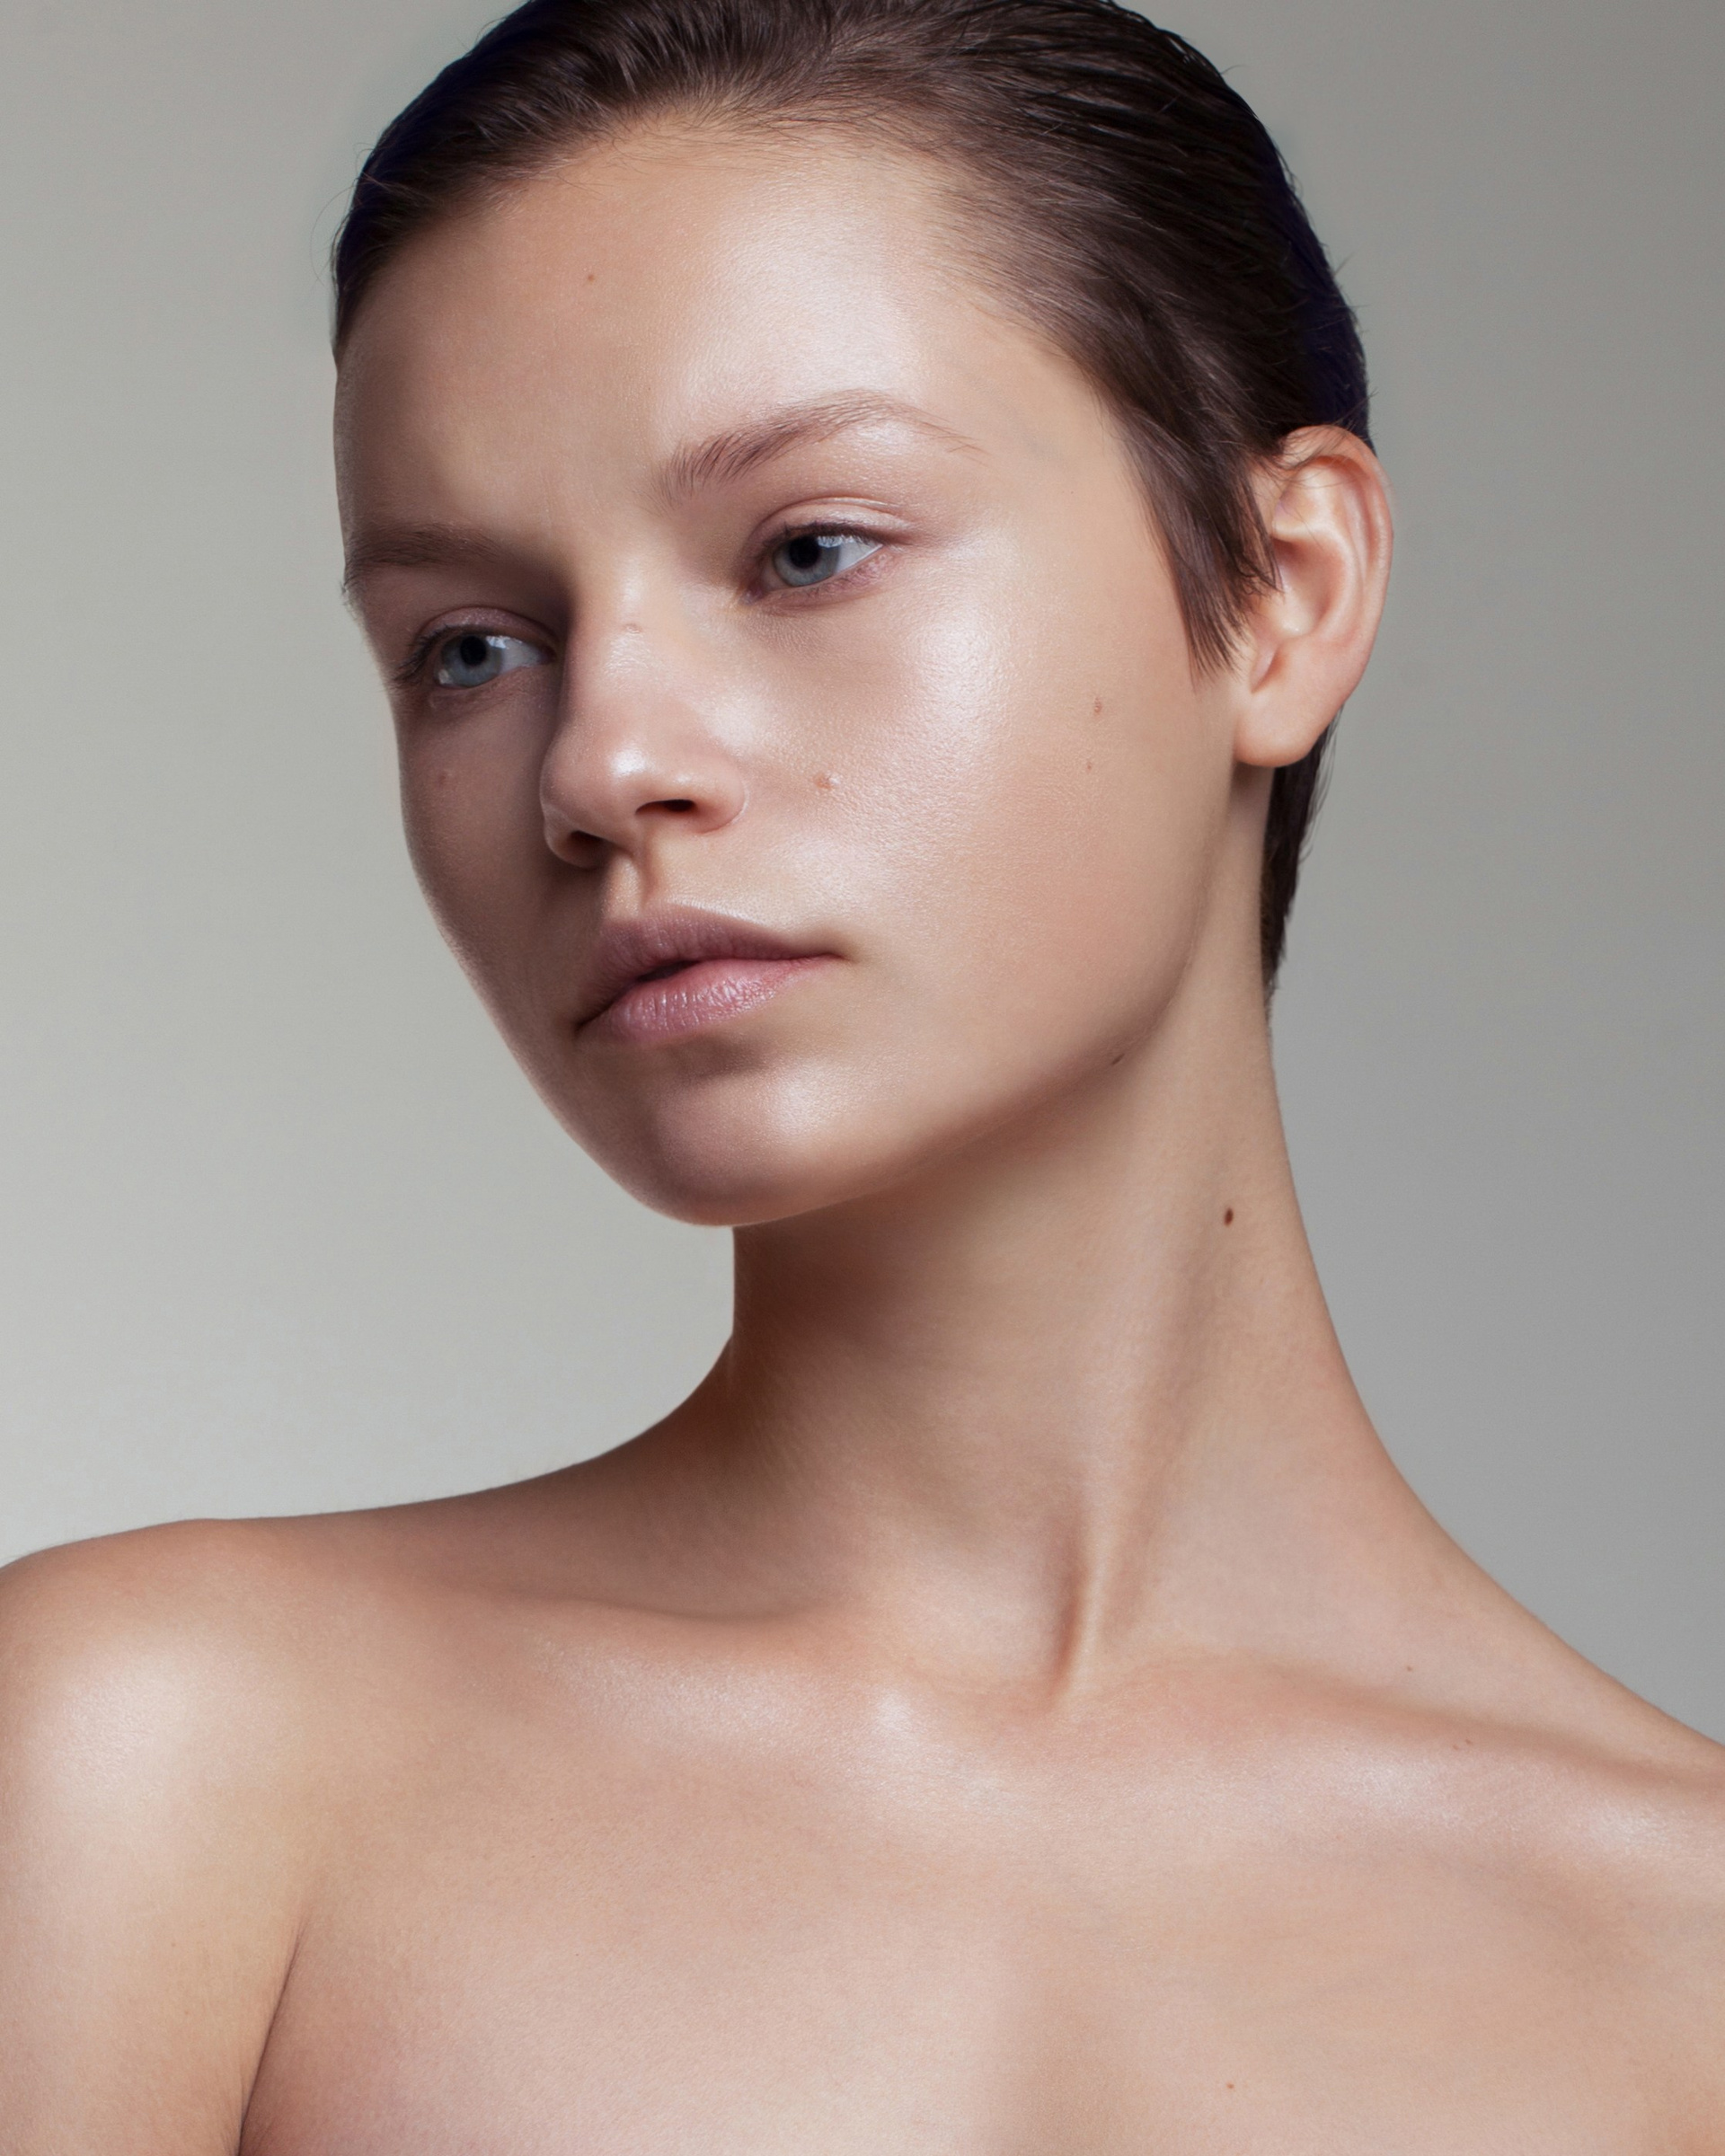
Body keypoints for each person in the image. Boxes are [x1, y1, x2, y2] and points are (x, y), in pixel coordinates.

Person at [3, 0, 1721, 2143]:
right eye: (470, 648)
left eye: (807, 549)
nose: (603, 761)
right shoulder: (159, 1770)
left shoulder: (1689, 1978)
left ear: (1281, 595)